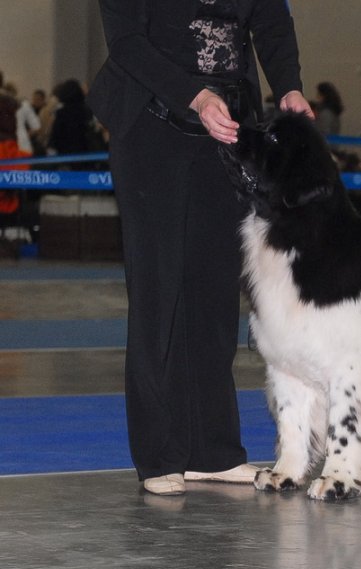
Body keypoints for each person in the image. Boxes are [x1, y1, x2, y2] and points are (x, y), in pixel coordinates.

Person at [88, 0, 313, 496]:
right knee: (157, 291)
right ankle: (160, 455)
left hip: (228, 128)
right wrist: (195, 95)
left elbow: (272, 20)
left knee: (214, 292)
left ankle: (211, 451)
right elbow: (127, 41)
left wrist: (289, 84)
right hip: (151, 125)